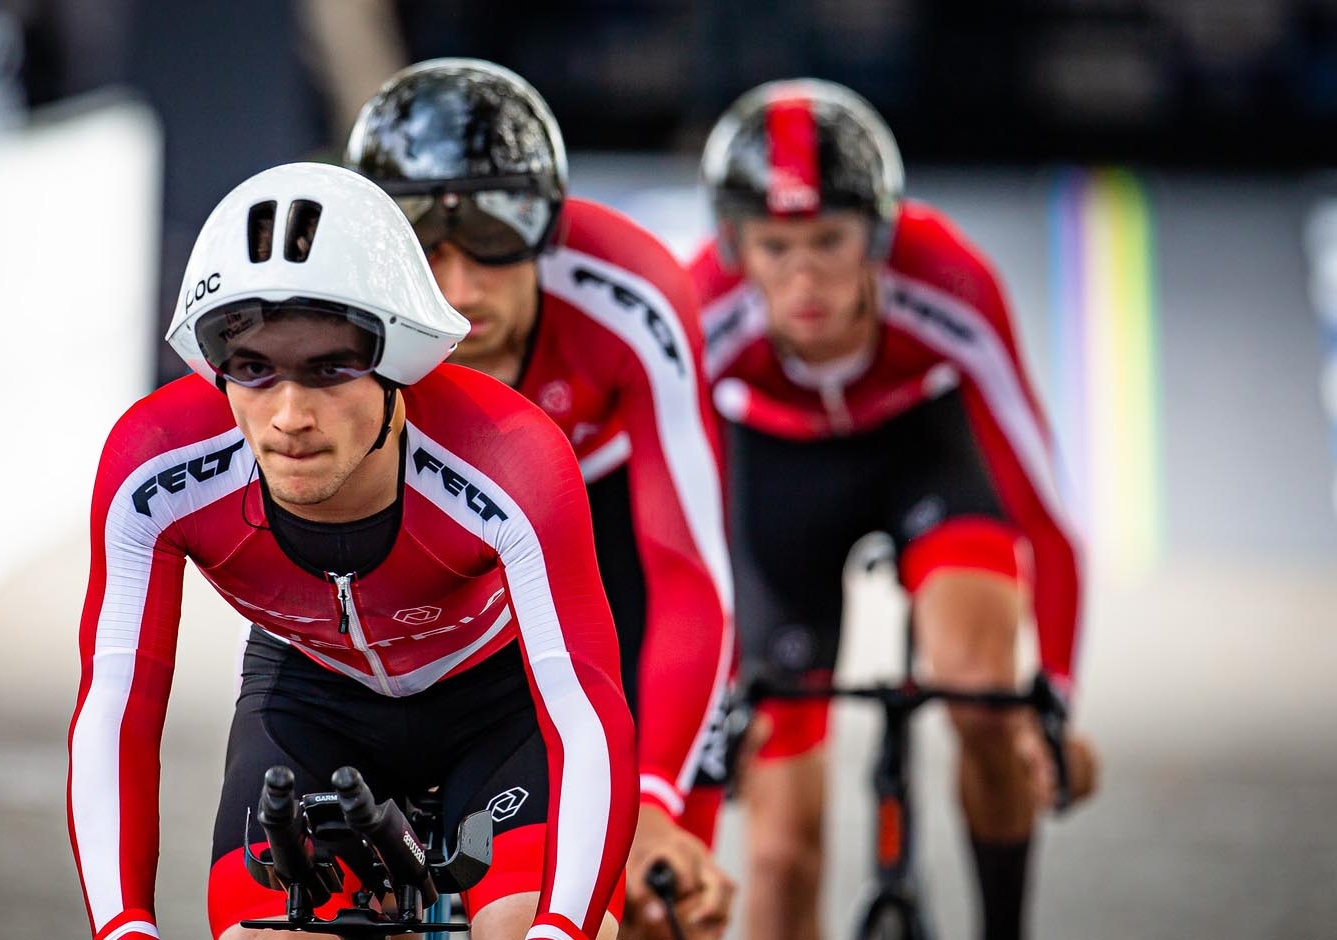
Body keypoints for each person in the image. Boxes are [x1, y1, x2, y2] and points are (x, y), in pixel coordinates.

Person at [67, 162, 638, 940]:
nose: (290, 415)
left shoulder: (510, 457)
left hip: (498, 712)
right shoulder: (154, 464)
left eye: (331, 367)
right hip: (309, 706)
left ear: (399, 362)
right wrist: (122, 928)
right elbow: (116, 708)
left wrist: (563, 928)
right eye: (253, 368)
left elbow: (584, 708)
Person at [687, 80, 1100, 940]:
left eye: (830, 241)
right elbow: (679, 520)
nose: (803, 278)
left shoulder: (948, 275)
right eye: (775, 246)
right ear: (735, 246)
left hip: (925, 456)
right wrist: (721, 685)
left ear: (878, 236)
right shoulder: (702, 307)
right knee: (778, 855)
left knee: (985, 699)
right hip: (780, 477)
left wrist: (1051, 699)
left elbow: (1045, 511)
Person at [346, 58, 737, 940]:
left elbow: (689, 574)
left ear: (549, 228)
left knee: (654, 895)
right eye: (425, 250)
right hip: (426, 553)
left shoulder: (633, 297)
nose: (462, 288)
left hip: (602, 545)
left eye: (496, 237)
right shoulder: (342, 313)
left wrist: (656, 799)